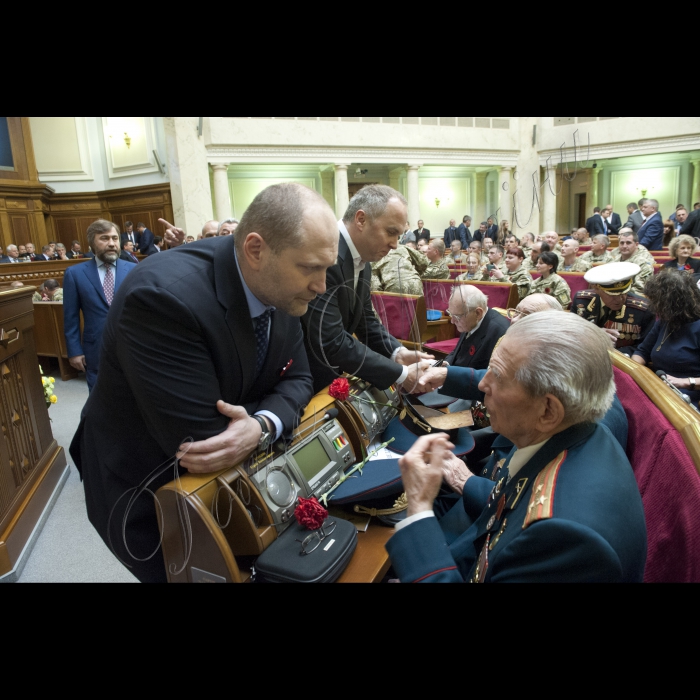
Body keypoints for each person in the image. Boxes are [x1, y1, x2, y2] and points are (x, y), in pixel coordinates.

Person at [72, 184, 338, 584]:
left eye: (326, 268)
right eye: (309, 268)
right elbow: (204, 444)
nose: (321, 285)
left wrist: (263, 423)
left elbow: (300, 376)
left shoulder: (281, 287)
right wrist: (262, 422)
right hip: (148, 485)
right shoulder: (162, 298)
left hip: (225, 477)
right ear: (255, 249)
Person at [388, 312, 647, 583]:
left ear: (548, 410)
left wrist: (418, 511)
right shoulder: (564, 431)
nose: (482, 384)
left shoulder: (564, 538)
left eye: (497, 375)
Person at [302, 185, 433, 395]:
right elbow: (331, 341)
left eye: (399, 235)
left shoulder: (364, 257)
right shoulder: (327, 253)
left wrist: (396, 352)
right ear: (361, 220)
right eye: (391, 232)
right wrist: (400, 374)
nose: (395, 245)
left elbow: (365, 320)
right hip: (304, 382)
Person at [63, 220, 138, 392]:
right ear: (92, 243)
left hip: (131, 346)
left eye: (115, 238)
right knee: (99, 401)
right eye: (104, 238)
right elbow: (70, 317)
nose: (111, 243)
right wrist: (74, 351)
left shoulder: (134, 269)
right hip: (95, 349)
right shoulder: (74, 274)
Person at [633, 271, 700, 407]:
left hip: (685, 395)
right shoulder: (666, 320)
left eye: (658, 303)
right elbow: (642, 352)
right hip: (657, 387)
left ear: (673, 304)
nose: (654, 308)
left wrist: (684, 382)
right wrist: (635, 372)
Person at [574, 262, 655, 356]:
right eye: (612, 295)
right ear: (596, 289)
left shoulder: (643, 309)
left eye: (623, 293)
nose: (619, 300)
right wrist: (594, 335)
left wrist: (614, 354)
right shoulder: (582, 301)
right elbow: (571, 334)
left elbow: (646, 347)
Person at [442, 285, 510, 371]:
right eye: (451, 313)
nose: (452, 321)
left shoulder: (501, 333)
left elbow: (489, 376)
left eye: (457, 316)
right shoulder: (469, 318)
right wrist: (446, 363)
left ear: (478, 313)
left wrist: (449, 374)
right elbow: (458, 352)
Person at [612, 229, 654, 296]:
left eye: (628, 243)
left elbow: (640, 289)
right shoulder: (613, 262)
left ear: (636, 244)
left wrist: (616, 294)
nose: (624, 246)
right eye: (622, 243)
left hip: (632, 298)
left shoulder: (643, 264)